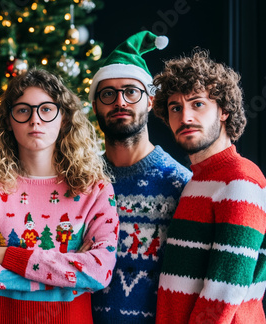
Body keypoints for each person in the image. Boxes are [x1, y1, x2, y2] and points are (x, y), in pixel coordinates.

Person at [0, 68, 119, 323]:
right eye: (23, 110)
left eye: (46, 109)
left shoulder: (94, 189)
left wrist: (6, 256)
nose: (35, 120)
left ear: (63, 118)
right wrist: (69, 273)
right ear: (8, 121)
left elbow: (99, 273)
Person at [152, 50, 266, 323]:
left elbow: (224, 293)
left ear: (224, 111)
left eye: (197, 104)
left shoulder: (241, 181)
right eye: (175, 108)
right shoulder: (198, 180)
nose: (185, 117)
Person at [89, 31, 192, 323]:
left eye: (131, 92)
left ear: (149, 101)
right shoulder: (81, 181)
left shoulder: (180, 183)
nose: (120, 102)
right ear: (95, 106)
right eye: (108, 94)